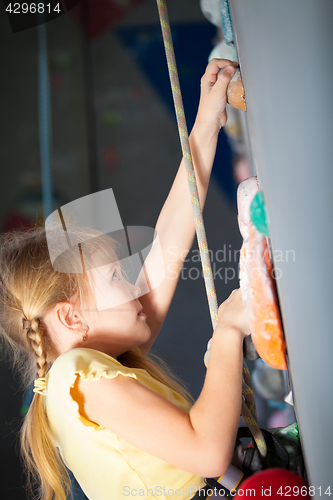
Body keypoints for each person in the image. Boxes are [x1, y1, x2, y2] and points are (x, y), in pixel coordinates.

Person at [0, 59, 250, 500]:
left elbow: (168, 246)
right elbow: (208, 454)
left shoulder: (87, 368)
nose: (135, 283)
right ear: (72, 316)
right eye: (117, 275)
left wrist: (204, 127)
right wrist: (228, 332)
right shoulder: (78, 374)